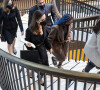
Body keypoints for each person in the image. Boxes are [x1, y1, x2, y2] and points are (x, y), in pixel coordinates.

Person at [25, 10, 53, 85]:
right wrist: (28, 44)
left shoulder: (43, 27)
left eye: (45, 19)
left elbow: (45, 39)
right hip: (35, 52)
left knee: (44, 66)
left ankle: (39, 78)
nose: (44, 21)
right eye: (42, 20)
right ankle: (34, 73)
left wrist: (49, 47)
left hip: (43, 50)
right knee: (39, 67)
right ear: (37, 20)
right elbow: (26, 41)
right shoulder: (29, 30)